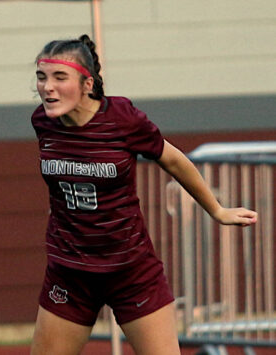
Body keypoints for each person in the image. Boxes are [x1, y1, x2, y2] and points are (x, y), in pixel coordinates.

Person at [29, 34, 258, 355]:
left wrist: (217, 210)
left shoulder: (122, 119)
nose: (46, 87)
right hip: (69, 273)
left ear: (87, 83)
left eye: (59, 77)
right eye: (41, 77)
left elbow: (174, 160)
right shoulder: (43, 122)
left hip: (130, 271)